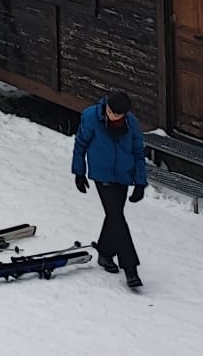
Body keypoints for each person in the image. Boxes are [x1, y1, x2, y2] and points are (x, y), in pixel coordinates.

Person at [74, 88, 148, 289]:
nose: (113, 116)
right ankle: (130, 268)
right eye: (111, 112)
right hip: (102, 174)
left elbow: (138, 152)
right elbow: (80, 144)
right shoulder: (91, 117)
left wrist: (140, 182)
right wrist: (79, 172)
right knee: (116, 216)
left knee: (114, 216)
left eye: (118, 114)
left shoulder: (131, 123)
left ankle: (105, 253)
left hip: (123, 175)